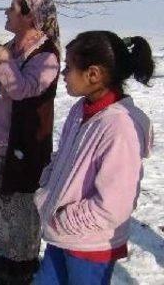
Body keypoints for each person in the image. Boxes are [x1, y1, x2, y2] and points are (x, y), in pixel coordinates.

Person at [33, 32, 154, 285]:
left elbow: (113, 206)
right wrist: (47, 187)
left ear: (93, 74)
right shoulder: (81, 109)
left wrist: (66, 218)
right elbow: (63, 155)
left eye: (68, 68)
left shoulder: (120, 127)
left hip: (91, 246)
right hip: (62, 234)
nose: (63, 74)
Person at [0, 0, 61, 283]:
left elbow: (24, 90)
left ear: (30, 16)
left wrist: (5, 62)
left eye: (12, 7)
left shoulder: (46, 55)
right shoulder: (12, 45)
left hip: (23, 144)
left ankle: (14, 269)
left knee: (16, 208)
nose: (6, 12)